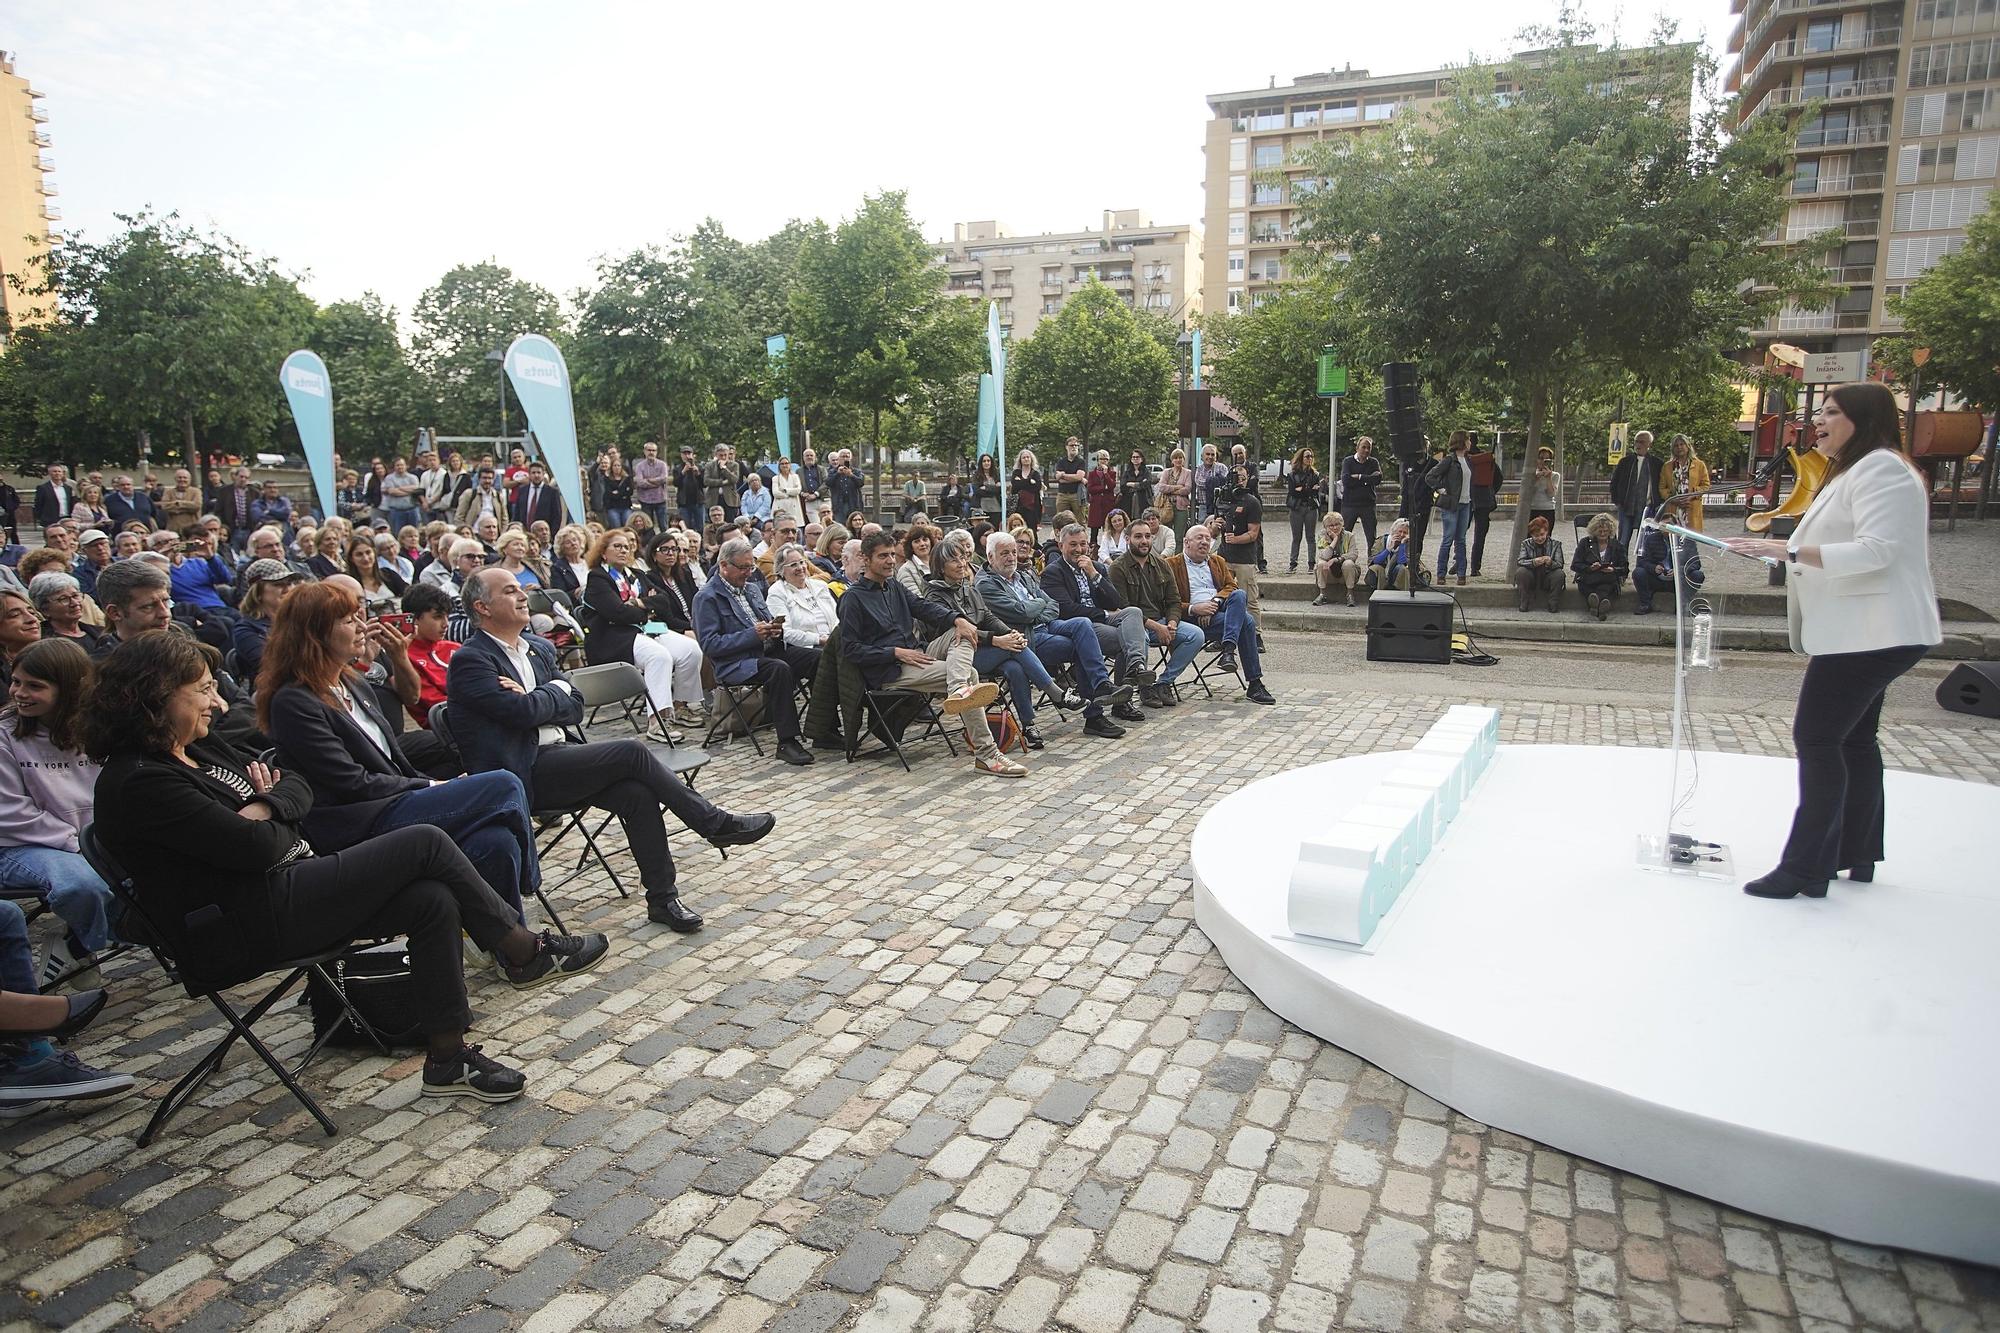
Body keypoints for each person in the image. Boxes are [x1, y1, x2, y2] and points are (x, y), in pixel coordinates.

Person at [90, 631, 585, 1102]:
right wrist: (271, 808)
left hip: (288, 886)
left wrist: (267, 805)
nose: (216, 702)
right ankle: (522, 950)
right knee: (424, 844)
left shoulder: (197, 747)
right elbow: (256, 848)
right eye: (201, 690)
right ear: (154, 698)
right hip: (240, 924)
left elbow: (295, 785)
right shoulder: (140, 781)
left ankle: (447, 1058)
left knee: (430, 899)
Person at [449, 568, 773, 929]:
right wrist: (551, 695)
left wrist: (542, 697)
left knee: (635, 792)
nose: (523, 596)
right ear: (483, 607)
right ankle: (712, 823)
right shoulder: (471, 660)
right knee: (630, 752)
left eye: (521, 589)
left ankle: (663, 900)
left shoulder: (538, 649)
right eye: (510, 591)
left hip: (559, 757)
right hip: (519, 774)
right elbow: (519, 712)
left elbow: (574, 705)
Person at [1724, 382, 1943, 900]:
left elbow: (1877, 550)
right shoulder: (1861, 468)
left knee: (1818, 738)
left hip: (1871, 632)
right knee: (1852, 739)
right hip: (1871, 630)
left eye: (1831, 413)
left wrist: (1788, 552)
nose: (1817, 422)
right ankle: (1855, 851)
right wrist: (1784, 549)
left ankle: (1805, 869)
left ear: (1864, 419)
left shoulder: (1882, 468)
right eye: (1819, 413)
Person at [259, 582, 557, 934]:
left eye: (359, 615)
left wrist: (431, 786)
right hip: (356, 822)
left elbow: (393, 761)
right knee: (504, 783)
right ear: (315, 634)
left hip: (393, 803)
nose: (360, 625)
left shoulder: (352, 684)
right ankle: (529, 892)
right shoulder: (294, 702)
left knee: (496, 842)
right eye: (347, 619)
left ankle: (509, 949)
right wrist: (432, 786)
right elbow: (351, 782)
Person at [838, 531, 1023, 777]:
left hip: (919, 655)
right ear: (866, 558)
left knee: (963, 630)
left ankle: (959, 690)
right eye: (883, 556)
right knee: (970, 674)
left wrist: (957, 619)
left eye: (893, 555)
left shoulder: (893, 586)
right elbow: (850, 650)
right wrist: (895, 652)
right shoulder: (853, 598)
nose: (891, 561)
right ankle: (987, 754)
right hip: (889, 669)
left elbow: (923, 607)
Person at [0, 640, 118, 988]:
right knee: (82, 886)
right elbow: (10, 813)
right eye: (16, 681)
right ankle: (85, 947)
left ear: (69, 688)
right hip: (22, 844)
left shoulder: (98, 727)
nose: (20, 693)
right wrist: (79, 843)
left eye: (34, 686)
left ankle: (73, 945)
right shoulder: (6, 735)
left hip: (93, 836)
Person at [923, 530, 1069, 750]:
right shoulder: (934, 595)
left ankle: (1029, 725)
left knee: (1014, 666)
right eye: (954, 560)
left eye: (963, 557)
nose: (962, 563)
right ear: (940, 566)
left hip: (979, 649)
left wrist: (1009, 633)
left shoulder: (967, 588)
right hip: (951, 658)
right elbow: (960, 631)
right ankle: (1056, 693)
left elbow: (988, 617)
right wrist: (999, 640)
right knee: (1013, 649)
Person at [695, 538, 817, 766]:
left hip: (767, 651)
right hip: (737, 663)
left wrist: (774, 629)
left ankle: (823, 726)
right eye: (742, 568)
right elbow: (710, 645)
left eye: (750, 567)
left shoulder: (751, 589)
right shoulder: (707, 598)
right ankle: (787, 742)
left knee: (818, 659)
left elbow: (765, 621)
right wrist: (753, 635)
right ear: (723, 566)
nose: (748, 573)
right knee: (779, 670)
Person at [581, 528, 703, 736]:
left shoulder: (636, 575)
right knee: (659, 656)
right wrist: (646, 611)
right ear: (603, 552)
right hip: (614, 638)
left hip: (647, 631)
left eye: (627, 547)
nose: (623, 551)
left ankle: (680, 705)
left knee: (691, 649)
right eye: (617, 546)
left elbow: (663, 602)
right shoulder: (597, 578)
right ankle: (657, 720)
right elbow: (617, 613)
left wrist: (637, 603)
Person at [1041, 524, 1152, 722]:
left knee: (1133, 612)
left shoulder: (1096, 567)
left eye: (1083, 544)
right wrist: (1102, 613)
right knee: (1132, 638)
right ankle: (1122, 701)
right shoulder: (1053, 572)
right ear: (1061, 546)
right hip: (1080, 626)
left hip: (1103, 618)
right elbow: (1066, 609)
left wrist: (1094, 575)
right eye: (1072, 544)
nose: (1079, 549)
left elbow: (1116, 602)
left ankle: (1136, 667)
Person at [1166, 525, 1275, 705]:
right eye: (1199, 538)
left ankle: (1228, 649)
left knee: (1239, 594)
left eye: (1207, 539)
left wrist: (1214, 604)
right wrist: (1195, 608)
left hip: (1218, 614)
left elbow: (1231, 587)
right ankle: (1252, 680)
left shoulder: (1217, 561)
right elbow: (1167, 601)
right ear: (1186, 542)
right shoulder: (1171, 565)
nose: (1204, 542)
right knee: (1246, 622)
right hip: (1192, 619)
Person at [1109, 519, 1202, 708]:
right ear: (1127, 539)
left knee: (1196, 635)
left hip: (1161, 621)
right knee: (1139, 639)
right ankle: (1144, 686)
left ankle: (1163, 683)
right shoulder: (1117, 568)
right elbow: (1123, 608)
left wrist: (1172, 623)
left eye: (1147, 536)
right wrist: (1156, 626)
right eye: (1138, 537)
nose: (1144, 541)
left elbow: (1174, 601)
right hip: (1134, 625)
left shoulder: (1162, 565)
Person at [230, 559, 306, 680]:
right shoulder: (246, 630)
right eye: (278, 584)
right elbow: (272, 667)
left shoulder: (302, 618)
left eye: (290, 583)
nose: (287, 589)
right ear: (258, 592)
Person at [766, 543, 839, 661]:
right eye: (793, 565)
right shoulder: (777, 592)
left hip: (833, 640)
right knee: (832, 658)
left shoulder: (820, 586)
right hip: (803, 647)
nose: (800, 568)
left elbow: (837, 617)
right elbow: (786, 633)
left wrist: (835, 637)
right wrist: (819, 639)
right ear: (781, 570)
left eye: (802, 562)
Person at [400, 582, 459, 726]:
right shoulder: (405, 656)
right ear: (413, 619)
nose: (445, 624)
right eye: (437, 617)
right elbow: (437, 705)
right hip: (448, 727)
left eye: (447, 616)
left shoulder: (455, 648)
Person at [1630, 502, 1705, 616]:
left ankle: (1682, 604)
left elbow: (1695, 563)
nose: (1666, 529)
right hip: (1656, 578)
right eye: (1663, 526)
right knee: (1638, 573)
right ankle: (1645, 603)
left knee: (1698, 575)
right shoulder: (1651, 539)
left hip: (1678, 580)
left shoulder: (1687, 540)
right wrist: (1654, 568)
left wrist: (1678, 570)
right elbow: (1641, 561)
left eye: (1669, 525)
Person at [1218, 463, 1264, 628]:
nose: (1241, 481)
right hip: (1224, 556)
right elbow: (1214, 527)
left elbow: (1253, 533)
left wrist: (1236, 539)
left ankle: (1256, 634)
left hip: (1244, 559)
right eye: (1237, 478)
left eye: (1244, 478)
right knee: (1222, 596)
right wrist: (1217, 525)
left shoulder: (1252, 502)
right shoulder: (1222, 498)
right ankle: (1221, 632)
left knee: (1249, 599)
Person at [1610, 430, 1664, 551]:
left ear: (1649, 444)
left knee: (1644, 541)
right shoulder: (1625, 462)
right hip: (1626, 507)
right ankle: (1622, 567)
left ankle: (1641, 566)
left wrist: (1657, 503)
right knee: (1623, 541)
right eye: (1636, 442)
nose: (1638, 445)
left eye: (1642, 442)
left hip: (1647, 508)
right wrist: (1618, 501)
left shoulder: (1657, 464)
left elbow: (1661, 485)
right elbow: (1614, 482)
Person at [1570, 512, 1628, 620]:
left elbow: (1625, 569)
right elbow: (1575, 565)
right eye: (1599, 531)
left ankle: (1595, 606)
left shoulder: (1617, 545)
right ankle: (1601, 608)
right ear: (1594, 531)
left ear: (1610, 531)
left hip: (1608, 579)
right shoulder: (1584, 543)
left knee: (1606, 584)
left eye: (1605, 531)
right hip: (1589, 578)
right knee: (1594, 585)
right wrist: (1589, 568)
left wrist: (1613, 569)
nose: (1602, 534)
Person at [28, 573, 103, 652]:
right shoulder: (41, 643)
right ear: (44, 610)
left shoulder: (100, 632)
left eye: (75, 596)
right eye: (63, 599)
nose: (74, 603)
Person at [1313, 511, 1367, 608]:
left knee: (1348, 563)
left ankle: (1350, 594)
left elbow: (1353, 554)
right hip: (1329, 573)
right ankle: (1322, 594)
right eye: (1331, 525)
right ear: (1326, 527)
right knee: (1321, 563)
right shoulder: (1322, 536)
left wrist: (1337, 559)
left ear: (1342, 524)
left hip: (1346, 573)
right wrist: (1334, 541)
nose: (1334, 527)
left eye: (1337, 524)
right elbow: (1324, 556)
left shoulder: (1349, 536)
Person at [1660, 435, 1712, 531]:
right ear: (1672, 449)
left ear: (1688, 446)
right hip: (1673, 509)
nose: (1679, 447)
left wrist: (1691, 495)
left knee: (1690, 543)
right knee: (1672, 541)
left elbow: (1705, 485)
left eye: (1682, 444)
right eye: (1676, 445)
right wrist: (1674, 499)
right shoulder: (1667, 466)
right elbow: (1662, 488)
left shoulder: (1699, 465)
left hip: (1691, 508)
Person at [1515, 515, 1566, 612]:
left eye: (1542, 535)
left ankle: (1553, 602)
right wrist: (1533, 562)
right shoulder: (1526, 544)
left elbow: (1560, 564)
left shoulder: (1556, 544)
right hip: (1531, 576)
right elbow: (1520, 561)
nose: (1539, 538)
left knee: (1559, 574)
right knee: (1521, 572)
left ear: (1547, 532)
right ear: (1531, 535)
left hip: (1548, 576)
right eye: (1536, 536)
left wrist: (1550, 562)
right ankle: (1524, 601)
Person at [1285, 449, 1325, 573]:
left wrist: (1303, 490)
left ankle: (1311, 564)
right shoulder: (1292, 475)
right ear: (1301, 458)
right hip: (1296, 508)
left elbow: (1315, 492)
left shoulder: (1315, 474)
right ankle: (1293, 563)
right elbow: (1293, 492)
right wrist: (1308, 490)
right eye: (1307, 456)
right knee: (1296, 537)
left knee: (1310, 537)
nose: (1310, 458)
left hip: (1310, 507)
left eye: (1311, 456)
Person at [345, 534, 405, 613]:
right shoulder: (348, 584)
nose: (365, 558)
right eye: (359, 554)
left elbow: (409, 596)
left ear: (374, 553)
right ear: (351, 558)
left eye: (368, 552)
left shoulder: (389, 575)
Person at [1466, 439, 1501, 577]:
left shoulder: (1463, 459)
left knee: (1460, 534)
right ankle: (1475, 567)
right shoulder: (1487, 459)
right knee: (1479, 536)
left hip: (1467, 498)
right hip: (1484, 500)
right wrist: (1491, 491)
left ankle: (1459, 561)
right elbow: (1499, 478)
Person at [1369, 517, 1419, 592]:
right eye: (1400, 531)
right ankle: (1379, 595)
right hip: (1382, 574)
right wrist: (1388, 549)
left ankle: (1403, 596)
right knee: (1376, 567)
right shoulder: (1382, 540)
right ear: (1393, 532)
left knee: (1402, 568)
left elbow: (1402, 562)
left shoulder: (1409, 544)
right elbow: (1375, 561)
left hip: (1397, 574)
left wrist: (1402, 545)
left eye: (1405, 533)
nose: (1402, 535)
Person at [1156, 448, 1193, 543]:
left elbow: (1187, 489)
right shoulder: (1166, 472)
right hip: (1166, 506)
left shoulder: (1188, 473)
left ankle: (1177, 556)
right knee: (1166, 534)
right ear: (1172, 460)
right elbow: (1161, 487)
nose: (1178, 460)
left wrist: (1170, 490)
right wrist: (1177, 487)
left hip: (1181, 508)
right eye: (1176, 458)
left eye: (1180, 457)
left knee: (1178, 536)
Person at [896, 524, 940, 602]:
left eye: (925, 539)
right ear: (911, 547)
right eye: (917, 541)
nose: (922, 544)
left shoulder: (940, 564)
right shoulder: (906, 570)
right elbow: (916, 602)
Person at [1009, 451, 1045, 539]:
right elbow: (1015, 486)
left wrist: (1021, 482)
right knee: (1018, 529)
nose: (1026, 459)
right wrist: (1029, 482)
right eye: (1024, 457)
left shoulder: (1035, 473)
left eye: (1028, 457)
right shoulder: (1016, 472)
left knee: (1032, 530)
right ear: (1020, 460)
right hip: (1018, 506)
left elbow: (1037, 487)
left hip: (1032, 507)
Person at [1085, 450, 1118, 544]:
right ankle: (1093, 548)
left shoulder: (1112, 473)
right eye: (1101, 459)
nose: (1103, 461)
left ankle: (1108, 546)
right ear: (1098, 460)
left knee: (1107, 528)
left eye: (1106, 459)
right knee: (1094, 530)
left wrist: (1106, 474)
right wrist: (1104, 488)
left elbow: (1112, 486)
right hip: (1096, 504)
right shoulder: (1092, 474)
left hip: (1107, 504)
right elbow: (1091, 489)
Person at [1527, 447, 1562, 532]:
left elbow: (1551, 494)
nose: (1543, 461)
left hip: (1547, 509)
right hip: (1532, 509)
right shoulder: (1531, 475)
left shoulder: (1555, 475)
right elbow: (1527, 493)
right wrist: (1536, 478)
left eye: (1547, 459)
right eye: (1541, 458)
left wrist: (1548, 478)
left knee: (1545, 536)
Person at [1053, 438, 1089, 519]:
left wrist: (1063, 475)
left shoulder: (1081, 462)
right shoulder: (1061, 462)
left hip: (1077, 495)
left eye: (1076, 445)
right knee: (1061, 520)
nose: (1074, 447)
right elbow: (1059, 479)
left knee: (1080, 520)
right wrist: (1076, 478)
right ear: (1066, 447)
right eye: (1072, 445)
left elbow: (1079, 476)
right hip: (1062, 495)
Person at [31, 465, 73, 530]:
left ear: (62, 473)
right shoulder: (43, 488)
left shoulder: (68, 488)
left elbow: (70, 503)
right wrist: (41, 518)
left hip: (66, 518)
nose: (57, 473)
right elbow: (38, 504)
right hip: (50, 520)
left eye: (59, 471)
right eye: (54, 471)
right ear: (49, 473)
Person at [971, 455, 1003, 524]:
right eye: (984, 461)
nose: (986, 463)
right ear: (981, 463)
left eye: (988, 461)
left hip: (996, 507)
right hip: (981, 508)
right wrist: (993, 488)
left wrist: (986, 488)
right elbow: (977, 491)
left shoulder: (997, 475)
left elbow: (1000, 490)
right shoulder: (976, 475)